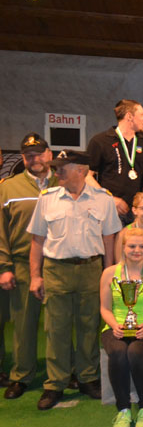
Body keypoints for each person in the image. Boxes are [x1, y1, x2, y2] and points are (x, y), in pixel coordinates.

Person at [28, 150, 121, 410]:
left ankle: (87, 378)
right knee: (56, 328)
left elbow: (109, 240)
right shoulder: (47, 198)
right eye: (56, 167)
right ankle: (55, 383)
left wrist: (108, 273)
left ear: (81, 170)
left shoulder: (103, 199)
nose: (56, 172)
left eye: (62, 168)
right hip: (56, 269)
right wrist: (35, 275)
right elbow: (37, 240)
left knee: (89, 326)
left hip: (91, 269)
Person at [0, 133, 58, 399]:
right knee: (23, 323)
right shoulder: (8, 188)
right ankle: (21, 375)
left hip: (58, 263)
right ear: (23, 158)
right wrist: (4, 267)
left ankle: (61, 373)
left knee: (59, 324)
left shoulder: (64, 182)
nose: (34, 159)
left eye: (39, 153)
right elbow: (1, 231)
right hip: (23, 263)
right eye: (28, 155)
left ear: (49, 154)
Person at [99, 227, 143, 427]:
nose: (137, 250)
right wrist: (114, 325)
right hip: (116, 326)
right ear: (123, 248)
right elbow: (105, 308)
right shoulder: (109, 273)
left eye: (142, 246)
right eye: (132, 246)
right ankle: (123, 409)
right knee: (118, 352)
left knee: (135, 352)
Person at [87, 99, 143, 224]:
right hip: (108, 210)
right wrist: (109, 199)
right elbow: (87, 176)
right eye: (142, 115)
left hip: (136, 213)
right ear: (129, 116)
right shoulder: (100, 141)